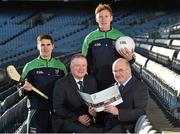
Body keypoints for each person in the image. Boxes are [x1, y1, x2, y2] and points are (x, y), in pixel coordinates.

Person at [82, 3, 135, 91]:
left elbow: (130, 61)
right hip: (96, 83)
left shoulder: (120, 36)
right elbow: (83, 62)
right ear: (96, 19)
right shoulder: (89, 38)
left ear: (111, 17)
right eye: (100, 17)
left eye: (106, 16)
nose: (103, 19)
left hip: (117, 81)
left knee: (116, 105)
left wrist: (130, 58)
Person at [21, 34, 67, 133]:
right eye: (42, 45)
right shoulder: (29, 66)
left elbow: (66, 88)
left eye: (48, 45)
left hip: (56, 112)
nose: (45, 48)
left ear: (53, 46)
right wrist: (25, 89)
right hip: (37, 110)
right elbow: (20, 88)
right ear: (38, 46)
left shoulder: (61, 67)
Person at [52, 54, 102, 133]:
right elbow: (58, 108)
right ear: (71, 67)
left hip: (88, 120)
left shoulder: (91, 80)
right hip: (67, 120)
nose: (81, 69)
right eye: (78, 66)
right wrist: (77, 118)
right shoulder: (61, 84)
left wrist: (94, 113)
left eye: (84, 65)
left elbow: (95, 101)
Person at [103, 58, 149, 132]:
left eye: (120, 70)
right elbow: (107, 112)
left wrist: (118, 112)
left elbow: (140, 112)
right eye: (115, 71)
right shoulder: (111, 87)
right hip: (107, 126)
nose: (117, 74)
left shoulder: (140, 87)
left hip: (124, 128)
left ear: (129, 70)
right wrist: (95, 112)